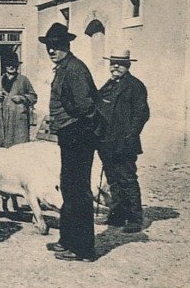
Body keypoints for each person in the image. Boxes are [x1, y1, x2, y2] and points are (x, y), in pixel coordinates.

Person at [40, 22, 99, 262]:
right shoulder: (64, 67)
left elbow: (85, 105)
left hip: (79, 134)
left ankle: (83, 249)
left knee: (78, 190)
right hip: (70, 133)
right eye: (49, 47)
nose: (52, 51)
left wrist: (67, 114)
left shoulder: (74, 69)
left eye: (56, 46)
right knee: (68, 187)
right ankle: (68, 240)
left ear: (66, 45)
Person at [95, 48, 150, 234]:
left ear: (128, 65)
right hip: (106, 141)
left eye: (120, 63)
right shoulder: (109, 85)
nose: (115, 66)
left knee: (127, 179)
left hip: (124, 142)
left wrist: (129, 137)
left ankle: (135, 219)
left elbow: (142, 115)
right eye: (113, 63)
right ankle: (117, 215)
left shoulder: (135, 86)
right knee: (113, 179)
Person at [0, 52, 37, 147]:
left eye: (14, 64)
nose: (11, 67)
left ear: (17, 66)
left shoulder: (23, 80)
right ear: (5, 66)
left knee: (20, 148)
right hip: (2, 120)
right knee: (3, 148)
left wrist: (22, 98)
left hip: (18, 121)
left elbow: (33, 97)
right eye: (8, 64)